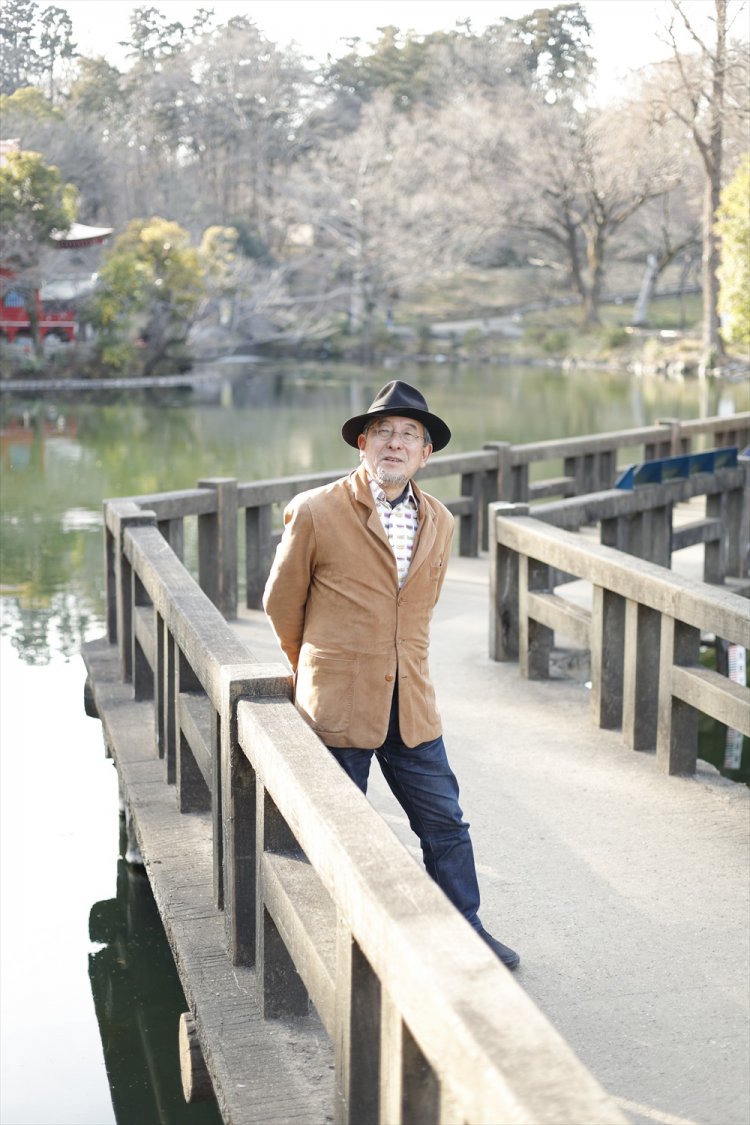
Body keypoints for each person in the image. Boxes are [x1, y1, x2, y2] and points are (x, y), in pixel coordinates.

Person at [263, 380, 519, 970]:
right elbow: (283, 605)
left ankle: (466, 929)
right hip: (337, 701)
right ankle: (337, 946)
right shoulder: (316, 510)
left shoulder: (440, 520)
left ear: (426, 453)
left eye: (409, 435)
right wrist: (316, 671)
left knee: (445, 823)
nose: (395, 444)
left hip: (413, 702)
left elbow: (419, 610)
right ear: (361, 443)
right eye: (383, 433)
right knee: (336, 831)